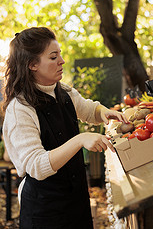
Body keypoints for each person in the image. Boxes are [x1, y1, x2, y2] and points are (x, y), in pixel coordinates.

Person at [2, 27, 127, 229]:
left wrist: (103, 111)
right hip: (44, 212)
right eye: (53, 57)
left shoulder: (63, 90)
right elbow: (36, 165)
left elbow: (87, 109)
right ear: (32, 64)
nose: (62, 61)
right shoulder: (20, 109)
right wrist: (80, 140)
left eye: (59, 54)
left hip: (76, 200)